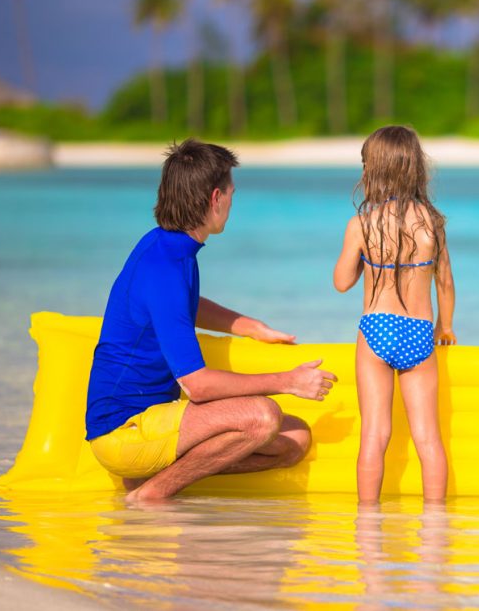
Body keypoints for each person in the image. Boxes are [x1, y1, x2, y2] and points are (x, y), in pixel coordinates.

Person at [85, 139, 336, 503]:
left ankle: (149, 478)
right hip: (123, 430)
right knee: (262, 416)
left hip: (157, 420)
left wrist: (250, 327)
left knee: (294, 440)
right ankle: (151, 494)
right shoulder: (167, 267)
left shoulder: (167, 246)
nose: (233, 203)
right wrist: (288, 381)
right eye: (232, 193)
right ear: (215, 198)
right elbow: (197, 386)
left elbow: (183, 305)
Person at [333, 125, 455, 504]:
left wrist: (365, 261)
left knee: (374, 434)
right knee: (428, 436)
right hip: (420, 333)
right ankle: (435, 521)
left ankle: (367, 520)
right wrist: (445, 327)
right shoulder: (433, 223)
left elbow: (340, 282)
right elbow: (446, 284)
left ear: (373, 170)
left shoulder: (361, 224)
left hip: (376, 329)